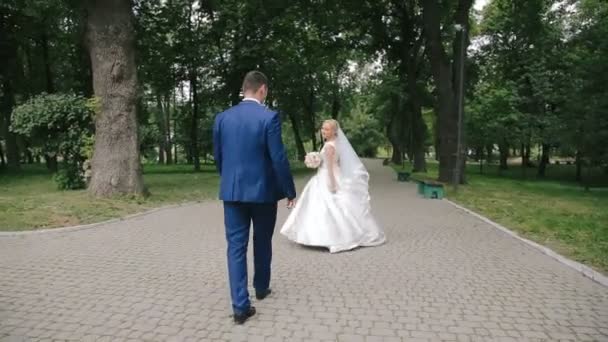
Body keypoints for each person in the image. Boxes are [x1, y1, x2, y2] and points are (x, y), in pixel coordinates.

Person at [213, 71, 296, 324]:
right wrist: (289, 190)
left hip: (233, 192)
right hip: (263, 193)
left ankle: (240, 307)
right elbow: (278, 157)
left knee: (236, 247)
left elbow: (219, 157)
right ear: (262, 90)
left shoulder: (222, 118)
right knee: (262, 241)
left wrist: (229, 180)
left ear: (244, 89)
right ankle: (261, 288)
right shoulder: (269, 117)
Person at [280, 119, 386, 253]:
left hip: (327, 178)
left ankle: (334, 236)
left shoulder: (330, 146)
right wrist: (316, 161)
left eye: (327, 129)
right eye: (323, 128)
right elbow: (338, 164)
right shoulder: (335, 144)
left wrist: (332, 183)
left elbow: (330, 167)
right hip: (329, 175)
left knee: (330, 207)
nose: (323, 131)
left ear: (334, 131)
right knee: (335, 207)